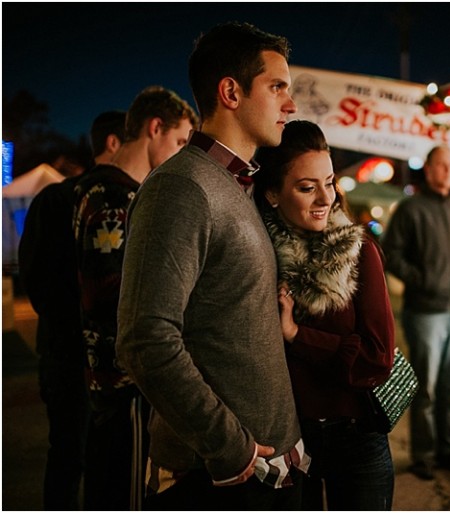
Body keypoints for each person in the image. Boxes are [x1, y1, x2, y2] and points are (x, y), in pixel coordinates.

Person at [116, 22, 309, 511]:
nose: (291, 105)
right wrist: (231, 448)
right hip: (219, 480)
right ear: (230, 92)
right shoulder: (181, 188)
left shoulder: (234, 186)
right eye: (277, 88)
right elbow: (145, 338)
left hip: (265, 473)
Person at [252, 119, 396, 510]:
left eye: (329, 182)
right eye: (306, 187)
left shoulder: (357, 251)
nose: (325, 198)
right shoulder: (259, 258)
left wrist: (298, 335)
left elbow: (378, 357)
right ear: (272, 194)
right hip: (291, 440)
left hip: (357, 437)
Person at [73, 88, 197, 510]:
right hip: (123, 377)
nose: (182, 153)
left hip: (105, 373)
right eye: (180, 142)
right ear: (154, 127)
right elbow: (105, 292)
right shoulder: (118, 198)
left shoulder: (94, 189)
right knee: (122, 492)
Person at [17, 110, 126, 510]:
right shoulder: (65, 197)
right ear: (114, 143)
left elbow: (34, 276)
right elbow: (40, 281)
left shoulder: (57, 198)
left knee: (72, 456)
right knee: (74, 455)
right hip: (71, 357)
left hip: (65, 353)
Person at [380, 145, 450, 480]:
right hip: (424, 312)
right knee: (425, 387)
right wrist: (421, 280)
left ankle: (449, 449)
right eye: (440, 165)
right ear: (428, 169)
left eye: (449, 165)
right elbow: (391, 253)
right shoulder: (411, 209)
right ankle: (423, 455)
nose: (446, 170)